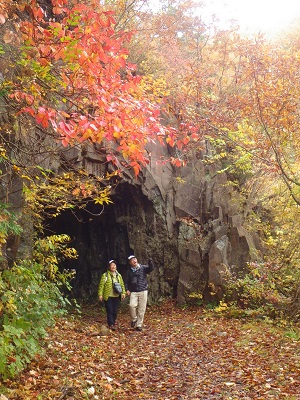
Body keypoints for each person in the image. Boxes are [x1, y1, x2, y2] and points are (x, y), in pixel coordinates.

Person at [125, 255, 154, 331]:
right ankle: (134, 319)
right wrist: (127, 289)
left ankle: (139, 325)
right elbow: (127, 281)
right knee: (132, 305)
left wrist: (150, 262)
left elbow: (150, 269)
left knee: (142, 309)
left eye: (134, 259)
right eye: (132, 260)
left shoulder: (143, 267)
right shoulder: (129, 271)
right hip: (134, 291)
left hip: (143, 290)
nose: (134, 260)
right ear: (130, 262)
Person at [98, 260, 126, 330]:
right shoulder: (105, 275)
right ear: (109, 267)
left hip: (116, 296)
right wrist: (100, 294)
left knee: (115, 311)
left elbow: (122, 285)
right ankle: (111, 324)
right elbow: (101, 286)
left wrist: (123, 293)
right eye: (112, 265)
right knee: (109, 310)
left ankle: (113, 322)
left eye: (114, 265)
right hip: (108, 296)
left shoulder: (118, 275)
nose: (113, 266)